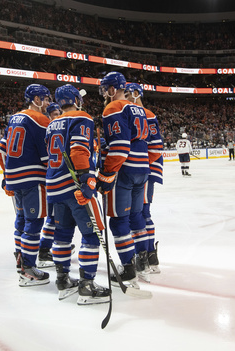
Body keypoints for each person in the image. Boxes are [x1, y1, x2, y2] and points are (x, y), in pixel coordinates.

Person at [46, 84, 110, 304]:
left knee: (62, 234)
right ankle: (87, 285)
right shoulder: (82, 117)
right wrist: (87, 181)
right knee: (91, 235)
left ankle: (63, 281)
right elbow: (78, 150)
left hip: (54, 186)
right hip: (75, 187)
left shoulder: (51, 123)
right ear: (75, 99)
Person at [0, 84, 51, 287]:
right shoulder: (40, 119)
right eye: (44, 98)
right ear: (36, 99)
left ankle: (21, 257)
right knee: (34, 223)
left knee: (21, 219)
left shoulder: (14, 118)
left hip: (14, 178)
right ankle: (28, 270)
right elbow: (48, 157)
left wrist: (7, 174)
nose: (47, 103)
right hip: (32, 178)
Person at [97, 72, 150, 289]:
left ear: (112, 89)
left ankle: (128, 270)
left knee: (119, 220)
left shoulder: (113, 107)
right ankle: (142, 262)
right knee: (136, 216)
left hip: (124, 169)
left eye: (105, 88)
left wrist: (107, 174)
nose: (103, 93)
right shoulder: (138, 107)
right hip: (142, 167)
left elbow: (119, 147)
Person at [125, 83, 163, 275]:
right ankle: (149, 255)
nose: (125, 96)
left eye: (127, 93)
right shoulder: (140, 113)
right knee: (141, 213)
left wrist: (140, 164)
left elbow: (156, 147)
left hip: (144, 170)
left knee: (141, 213)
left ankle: (147, 255)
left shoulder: (144, 114)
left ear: (137, 94)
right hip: (145, 170)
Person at [38, 102, 62, 268]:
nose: (58, 116)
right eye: (54, 114)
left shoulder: (56, 129)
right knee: (53, 218)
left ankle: (53, 246)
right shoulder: (47, 130)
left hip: (56, 178)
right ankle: (45, 249)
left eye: (59, 113)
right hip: (52, 179)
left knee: (56, 218)